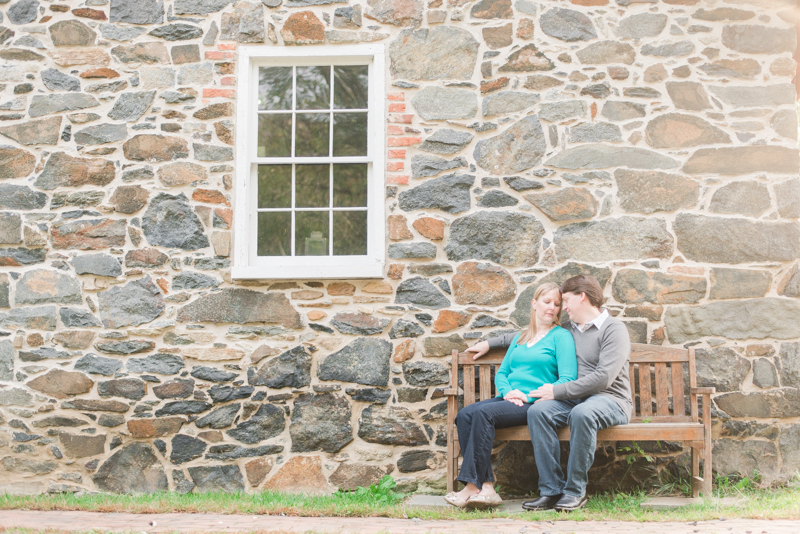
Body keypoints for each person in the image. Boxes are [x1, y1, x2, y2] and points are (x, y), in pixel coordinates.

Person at [468, 274, 632, 512]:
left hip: (611, 399)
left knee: (582, 414)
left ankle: (575, 491)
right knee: (539, 410)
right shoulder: (568, 329)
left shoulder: (613, 329)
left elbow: (604, 378)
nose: (561, 308)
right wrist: (490, 343)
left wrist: (557, 390)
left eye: (565, 301)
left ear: (582, 297)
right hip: (574, 399)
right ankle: (551, 490)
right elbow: (528, 334)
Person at [445, 282, 577, 509]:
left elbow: (567, 379)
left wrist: (528, 397)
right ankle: (485, 487)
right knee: (465, 414)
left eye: (557, 304)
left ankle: (470, 487)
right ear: (534, 303)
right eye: (547, 302)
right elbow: (503, 373)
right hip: (509, 400)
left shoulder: (561, 337)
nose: (552, 308)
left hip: (536, 403)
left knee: (483, 413)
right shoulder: (521, 338)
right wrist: (509, 393)